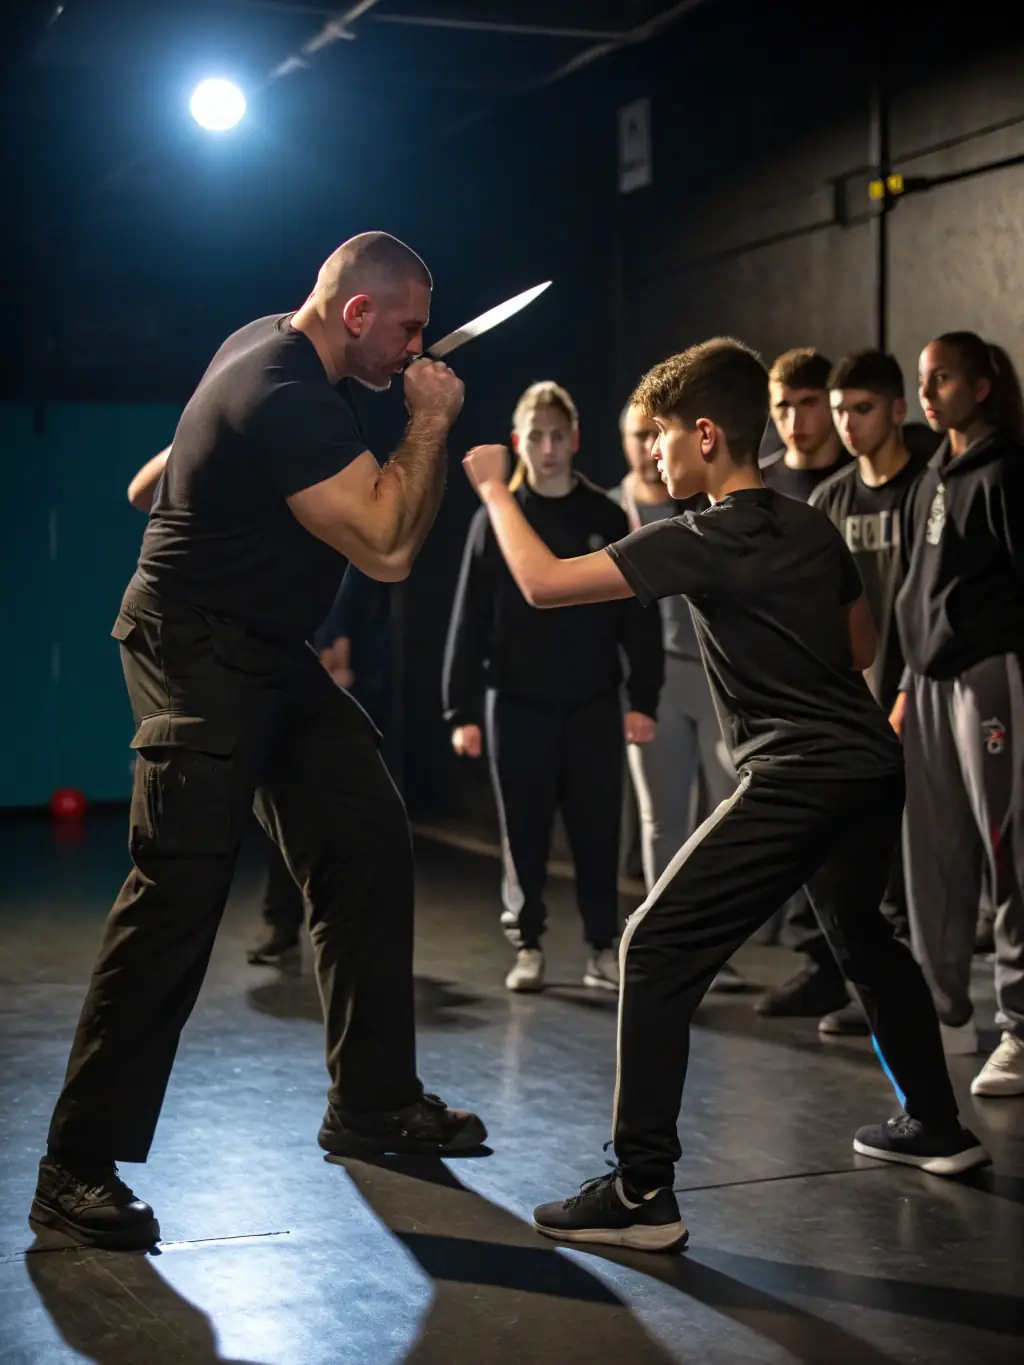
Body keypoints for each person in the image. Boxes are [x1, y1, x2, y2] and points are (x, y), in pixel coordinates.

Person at [462, 338, 988, 1253]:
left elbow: (545, 585)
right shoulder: (811, 522)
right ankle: (935, 1126)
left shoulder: (699, 536)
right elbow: (859, 648)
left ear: (705, 436)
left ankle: (640, 1189)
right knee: (863, 933)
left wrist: (494, 490)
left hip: (799, 773)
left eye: (662, 436)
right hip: (869, 764)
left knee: (653, 944)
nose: (655, 453)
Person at [29, 232, 486, 1252]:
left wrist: (187, 466)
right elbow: (389, 546)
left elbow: (174, 462)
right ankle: (73, 1167)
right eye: (407, 330)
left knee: (365, 838)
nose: (417, 352)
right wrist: (429, 423)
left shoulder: (264, 344)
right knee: (180, 885)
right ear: (357, 314)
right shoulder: (287, 393)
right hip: (192, 647)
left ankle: (370, 1102)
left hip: (269, 651)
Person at [443, 382, 664, 993]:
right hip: (516, 705)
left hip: (594, 703)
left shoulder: (604, 514)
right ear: (518, 443)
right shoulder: (496, 520)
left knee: (597, 831)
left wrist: (643, 698)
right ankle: (529, 944)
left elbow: (637, 616)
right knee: (524, 832)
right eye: (535, 437)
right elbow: (468, 620)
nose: (547, 448)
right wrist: (459, 709)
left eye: (557, 435)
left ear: (576, 440)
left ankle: (600, 948)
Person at [893, 331, 1024, 1096]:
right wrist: (906, 685)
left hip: (991, 678)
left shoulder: (1005, 470)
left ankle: (1019, 1024)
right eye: (923, 379)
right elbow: (914, 593)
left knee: (1008, 851)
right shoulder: (930, 475)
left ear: (979, 386)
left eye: (942, 378)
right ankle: (945, 1013)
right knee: (935, 855)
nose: (929, 390)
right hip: (931, 684)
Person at [806, 350, 927, 1035]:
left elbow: (935, 605)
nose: (849, 424)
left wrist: (908, 689)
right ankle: (880, 995)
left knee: (933, 859)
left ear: (896, 410)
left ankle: (941, 1001)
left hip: (921, 695)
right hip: (854, 710)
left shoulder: (928, 488)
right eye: (842, 409)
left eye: (864, 409)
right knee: (862, 862)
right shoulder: (830, 500)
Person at [613, 402, 744, 993]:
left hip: (713, 678)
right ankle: (667, 945)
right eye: (640, 435)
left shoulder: (698, 507)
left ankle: (715, 948)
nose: (649, 447)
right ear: (622, 440)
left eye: (657, 434)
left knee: (724, 815)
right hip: (652, 681)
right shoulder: (613, 509)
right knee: (662, 819)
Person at [756, 347, 854, 1020]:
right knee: (799, 832)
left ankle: (870, 969)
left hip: (858, 674)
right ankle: (821, 965)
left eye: (808, 402)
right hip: (783, 688)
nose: (794, 418)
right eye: (781, 406)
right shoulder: (761, 487)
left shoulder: (860, 478)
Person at [248, 567, 397, 967]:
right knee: (293, 812)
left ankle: (329, 930)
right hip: (315, 693)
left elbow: (344, 636)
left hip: (346, 695)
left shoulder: (354, 563)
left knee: (341, 823)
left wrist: (339, 663)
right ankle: (285, 925)